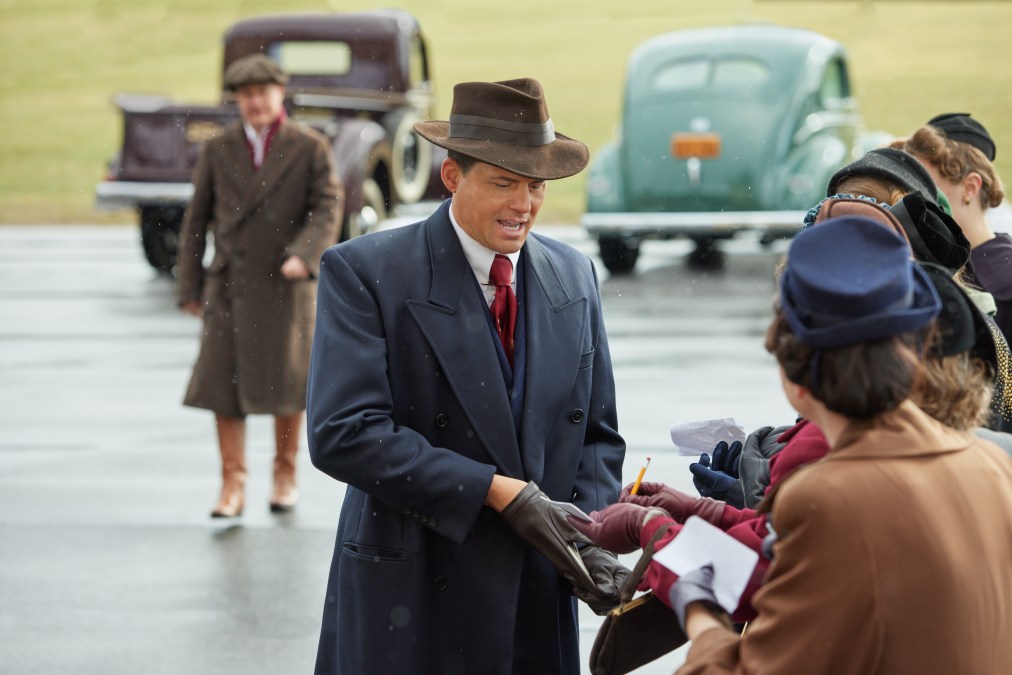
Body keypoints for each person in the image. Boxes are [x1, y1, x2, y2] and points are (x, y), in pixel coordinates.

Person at [577, 216, 1012, 673]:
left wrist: (696, 603)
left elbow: (746, 646)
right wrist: (695, 513)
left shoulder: (830, 495)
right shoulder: (992, 462)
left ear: (791, 365)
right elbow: (779, 548)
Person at [306, 78, 626, 674]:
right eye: (504, 183)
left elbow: (595, 435)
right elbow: (343, 433)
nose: (524, 204)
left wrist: (589, 533)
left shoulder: (575, 273)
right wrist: (495, 491)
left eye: (536, 186)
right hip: (414, 594)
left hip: (535, 591)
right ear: (452, 177)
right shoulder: (365, 271)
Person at [177, 54, 342, 518]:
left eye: (263, 93)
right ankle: (232, 484)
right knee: (222, 390)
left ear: (279, 93)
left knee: (288, 386)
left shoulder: (309, 146)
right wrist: (189, 286)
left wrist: (304, 254)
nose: (255, 102)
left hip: (285, 287)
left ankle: (285, 475)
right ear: (236, 100)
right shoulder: (218, 148)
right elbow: (196, 220)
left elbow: (328, 204)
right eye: (246, 95)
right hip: (229, 286)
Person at [905, 113, 1012, 343]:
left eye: (926, 189)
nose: (912, 202)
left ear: (970, 188)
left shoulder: (1007, 282)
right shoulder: (915, 264)